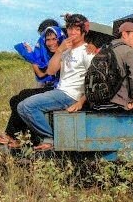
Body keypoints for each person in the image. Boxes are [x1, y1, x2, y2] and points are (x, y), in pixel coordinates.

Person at [17, 13, 93, 150]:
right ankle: (44, 138)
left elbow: (94, 81)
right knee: (21, 106)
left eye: (76, 29)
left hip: (71, 95)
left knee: (27, 106)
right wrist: (59, 51)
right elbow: (51, 71)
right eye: (70, 28)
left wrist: (81, 102)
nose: (72, 32)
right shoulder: (66, 49)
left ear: (83, 31)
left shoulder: (87, 51)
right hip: (60, 91)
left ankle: (50, 139)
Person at [0, 23, 65, 147]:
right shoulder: (50, 54)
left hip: (61, 90)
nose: (50, 42)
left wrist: (33, 58)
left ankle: (12, 135)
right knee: (15, 99)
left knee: (24, 95)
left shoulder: (64, 53)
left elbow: (44, 74)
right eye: (47, 39)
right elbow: (43, 74)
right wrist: (32, 56)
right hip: (55, 88)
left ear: (60, 38)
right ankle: (23, 135)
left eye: (54, 39)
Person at [66, 21, 133, 113]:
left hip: (97, 101)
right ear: (124, 34)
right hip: (118, 104)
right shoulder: (129, 51)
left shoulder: (105, 47)